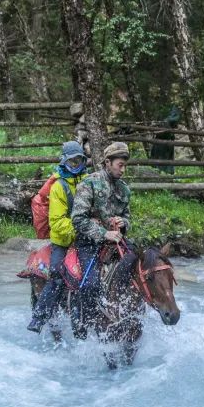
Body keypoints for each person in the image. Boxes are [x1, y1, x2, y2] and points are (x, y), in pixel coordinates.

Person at [70, 141, 132, 333]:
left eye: (125, 165)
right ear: (107, 162)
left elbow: (128, 217)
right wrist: (104, 233)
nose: (123, 169)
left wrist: (124, 223)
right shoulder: (89, 183)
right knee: (90, 285)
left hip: (117, 243)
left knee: (142, 271)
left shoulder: (124, 189)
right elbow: (77, 219)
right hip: (89, 243)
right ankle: (86, 326)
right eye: (120, 165)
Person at [27, 141, 89, 333]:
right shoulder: (58, 187)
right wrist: (82, 229)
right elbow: (56, 222)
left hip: (87, 240)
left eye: (78, 160)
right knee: (57, 274)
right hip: (63, 241)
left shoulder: (90, 181)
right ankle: (40, 316)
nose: (75, 164)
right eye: (71, 161)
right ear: (64, 162)